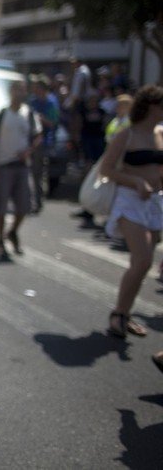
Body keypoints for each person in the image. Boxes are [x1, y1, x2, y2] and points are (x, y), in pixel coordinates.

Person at [100, 84, 163, 339]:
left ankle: (125, 313)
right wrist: (136, 182)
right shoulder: (126, 134)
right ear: (150, 106)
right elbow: (106, 170)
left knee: (141, 264)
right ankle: (119, 314)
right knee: (143, 259)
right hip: (130, 202)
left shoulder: (160, 134)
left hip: (155, 203)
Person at [0, 81, 42, 262]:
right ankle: (0, 240)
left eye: (23, 90)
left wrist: (29, 150)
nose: (20, 93)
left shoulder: (29, 114)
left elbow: (37, 136)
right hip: (3, 165)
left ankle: (12, 232)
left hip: (22, 166)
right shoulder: (2, 114)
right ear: (10, 92)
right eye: (17, 89)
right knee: (0, 207)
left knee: (24, 206)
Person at [28, 74, 60, 210]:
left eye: (36, 87)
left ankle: (38, 200)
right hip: (29, 140)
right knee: (28, 172)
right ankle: (28, 200)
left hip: (43, 142)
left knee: (38, 172)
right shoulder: (32, 101)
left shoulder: (51, 102)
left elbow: (53, 123)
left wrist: (41, 119)